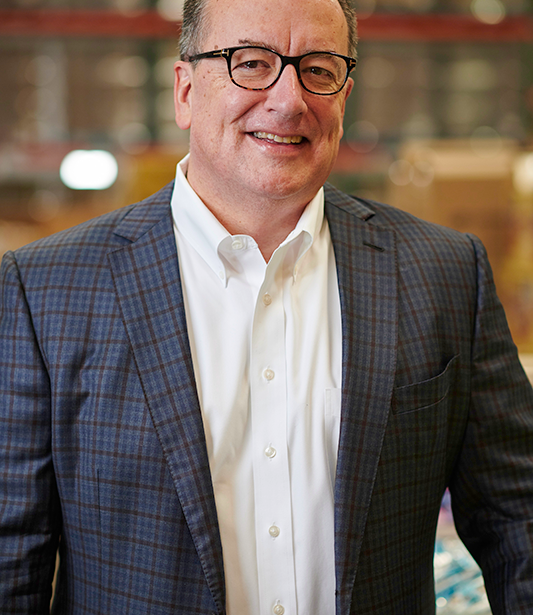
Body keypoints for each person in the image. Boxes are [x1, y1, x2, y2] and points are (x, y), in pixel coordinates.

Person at [1, 0, 532, 612]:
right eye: (251, 63)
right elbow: (12, 562)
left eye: (319, 69)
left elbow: (517, 521)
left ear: (344, 96)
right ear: (185, 91)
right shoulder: (45, 290)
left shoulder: (444, 274)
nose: (289, 99)